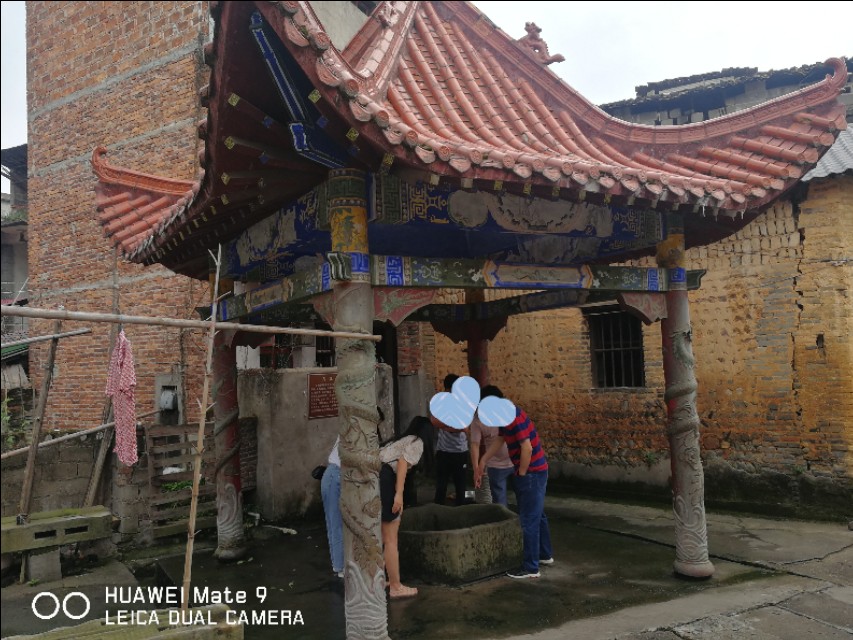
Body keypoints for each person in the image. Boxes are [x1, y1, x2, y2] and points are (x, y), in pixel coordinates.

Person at [476, 385, 553, 579]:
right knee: (537, 515)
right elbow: (501, 439)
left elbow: (526, 448)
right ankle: (544, 555)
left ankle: (531, 568)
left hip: (532, 473)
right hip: (534, 472)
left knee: (528, 520)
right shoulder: (506, 414)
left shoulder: (513, 416)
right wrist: (483, 460)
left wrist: (522, 472)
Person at [379, 416, 432, 599]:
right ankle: (395, 586)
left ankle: (380, 579)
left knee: (380, 536)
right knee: (390, 538)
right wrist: (398, 495)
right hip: (385, 480)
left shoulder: (400, 440)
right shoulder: (417, 443)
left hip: (374, 478)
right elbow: (402, 463)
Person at [431, 373, 469, 506]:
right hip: (443, 451)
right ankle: (438, 511)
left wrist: (446, 426)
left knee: (461, 486)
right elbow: (434, 421)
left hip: (460, 451)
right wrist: (451, 426)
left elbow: (464, 427)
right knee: (441, 486)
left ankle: (461, 509)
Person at [470, 410, 514, 507]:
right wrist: (477, 469)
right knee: (494, 501)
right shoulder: (477, 421)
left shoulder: (503, 413)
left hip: (513, 461)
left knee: (524, 497)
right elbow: (475, 445)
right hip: (493, 466)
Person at [320, 436, 344, 578]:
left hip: (335, 476)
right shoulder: (351, 428)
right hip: (334, 476)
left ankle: (339, 564)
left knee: (337, 523)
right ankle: (339, 566)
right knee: (335, 523)